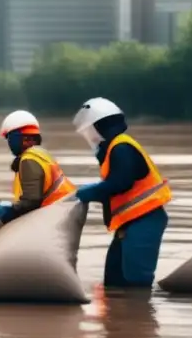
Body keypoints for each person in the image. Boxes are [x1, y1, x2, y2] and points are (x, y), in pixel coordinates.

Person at [71, 97, 171, 289]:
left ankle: (138, 317)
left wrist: (83, 193)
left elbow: (120, 183)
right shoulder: (115, 148)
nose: (91, 137)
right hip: (131, 223)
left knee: (135, 285)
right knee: (113, 283)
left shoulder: (121, 147)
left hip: (144, 221)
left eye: (90, 130)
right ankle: (118, 318)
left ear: (102, 126)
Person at [0, 110, 75, 224]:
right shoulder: (41, 155)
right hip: (63, 212)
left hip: (53, 217)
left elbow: (31, 201)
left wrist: (10, 210)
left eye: (9, 139)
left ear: (19, 139)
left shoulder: (29, 160)